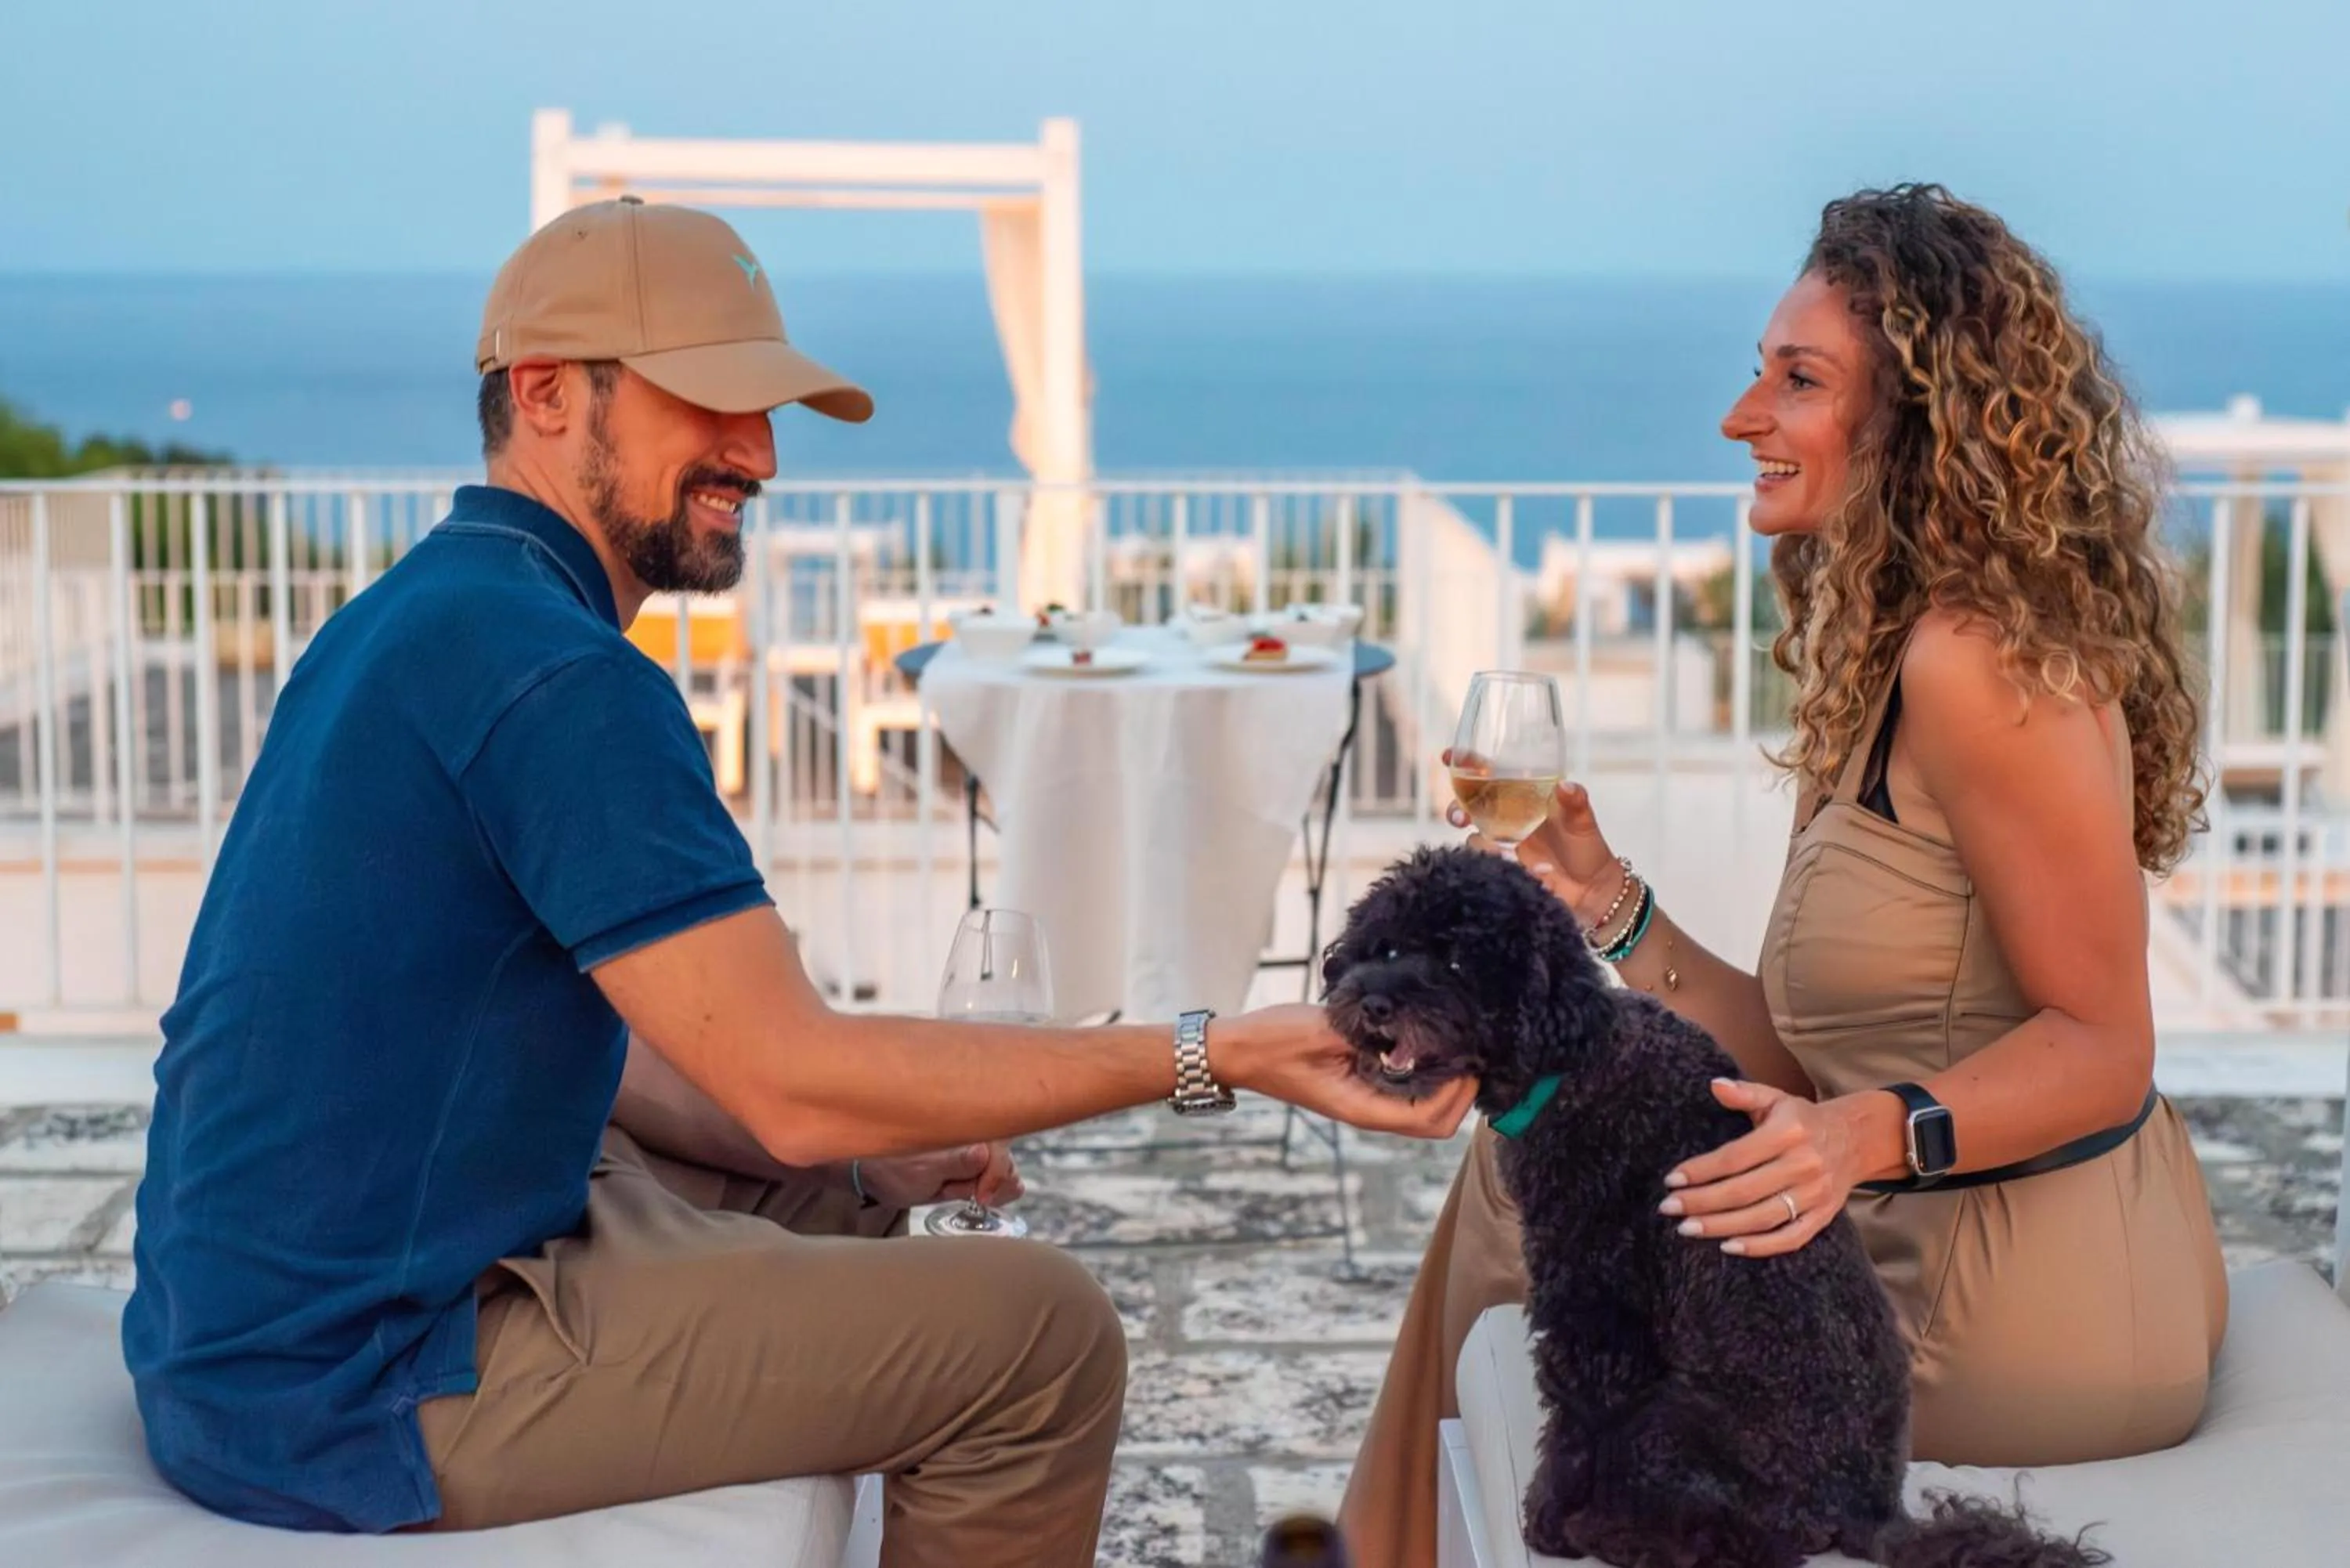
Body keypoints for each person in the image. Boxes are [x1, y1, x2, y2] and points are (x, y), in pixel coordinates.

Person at [122, 198, 1474, 1568]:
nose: (759, 452)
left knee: (853, 1179)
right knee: (1043, 1338)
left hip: (258, 1320)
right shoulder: (558, 677)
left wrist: (838, 1140)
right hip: (357, 1378)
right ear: (542, 393)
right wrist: (1219, 1050)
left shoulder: (419, 612)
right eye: (708, 397)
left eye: (767, 408)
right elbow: (792, 1074)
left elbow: (580, 1043)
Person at [1340, 183, 2228, 1568]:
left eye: (1797, 381)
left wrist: (1862, 1139)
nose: (1741, 416)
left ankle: (1383, 1548)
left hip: (2032, 1290)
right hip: (1910, 1217)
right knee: (1538, 1142)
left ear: (1921, 427)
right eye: (1761, 370)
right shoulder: (1877, 656)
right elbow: (1800, 1067)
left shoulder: (1980, 664)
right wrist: (1609, 901)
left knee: (1540, 1179)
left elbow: (2106, 1047)